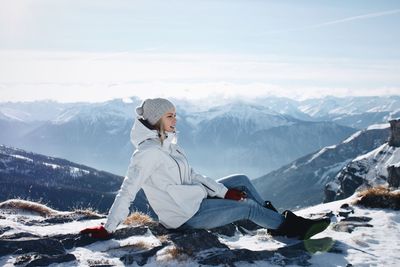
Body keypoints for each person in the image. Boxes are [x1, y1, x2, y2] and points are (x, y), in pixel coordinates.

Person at [80, 98, 330, 240]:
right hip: (184, 217)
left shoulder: (169, 144)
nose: (175, 120)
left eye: (175, 115)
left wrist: (223, 193)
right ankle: (292, 230)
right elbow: (128, 190)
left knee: (241, 180)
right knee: (249, 207)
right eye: (169, 116)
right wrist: (108, 228)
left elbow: (193, 176)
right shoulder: (147, 154)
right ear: (156, 120)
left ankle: (273, 222)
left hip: (194, 201)